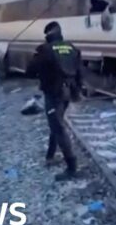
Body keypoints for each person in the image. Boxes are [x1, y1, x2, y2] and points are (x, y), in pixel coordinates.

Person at [26, 21, 83, 181]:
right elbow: (80, 72)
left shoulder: (44, 50)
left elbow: (29, 72)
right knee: (56, 122)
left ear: (48, 35)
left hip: (54, 93)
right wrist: (78, 91)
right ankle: (50, 156)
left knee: (57, 127)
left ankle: (72, 167)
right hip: (68, 92)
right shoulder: (72, 48)